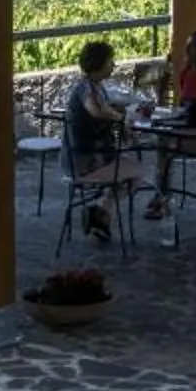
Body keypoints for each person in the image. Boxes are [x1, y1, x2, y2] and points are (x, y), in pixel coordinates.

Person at [62, 40, 139, 241]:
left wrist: (117, 114)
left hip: (86, 157)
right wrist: (118, 117)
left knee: (127, 169)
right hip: (87, 162)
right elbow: (95, 110)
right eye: (110, 60)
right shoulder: (86, 89)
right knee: (136, 174)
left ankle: (99, 215)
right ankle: (100, 210)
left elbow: (101, 108)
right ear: (99, 62)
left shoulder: (93, 86)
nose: (113, 65)